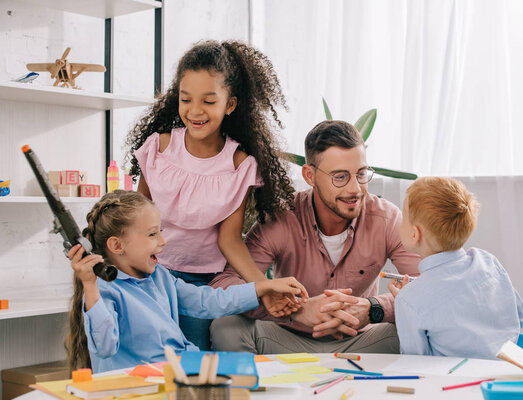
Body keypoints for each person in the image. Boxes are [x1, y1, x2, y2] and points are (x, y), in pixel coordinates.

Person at [126, 40, 305, 348]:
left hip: (203, 283)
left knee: (194, 362)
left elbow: (230, 239)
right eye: (186, 100)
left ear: (230, 104)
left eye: (209, 101)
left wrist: (263, 287)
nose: (195, 111)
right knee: (147, 359)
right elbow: (134, 218)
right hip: (149, 272)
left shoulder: (239, 166)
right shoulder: (160, 148)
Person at [210, 120, 421, 354]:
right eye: (340, 177)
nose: (355, 189)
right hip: (289, 340)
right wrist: (297, 310)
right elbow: (224, 284)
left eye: (361, 174)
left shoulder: (386, 218)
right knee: (226, 327)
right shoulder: (282, 218)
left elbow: (428, 284)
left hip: (361, 342)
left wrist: (373, 309)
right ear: (310, 176)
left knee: (420, 327)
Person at [64, 190, 308, 372]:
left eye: (160, 231)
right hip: (142, 386)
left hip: (178, 371)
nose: (163, 241)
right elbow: (105, 347)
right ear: (117, 245)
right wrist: (90, 286)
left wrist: (263, 286)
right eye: (152, 234)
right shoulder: (104, 291)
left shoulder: (160, 277)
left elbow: (208, 301)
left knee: (262, 371)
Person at [388, 177, 523, 359]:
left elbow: (416, 361)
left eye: (403, 217)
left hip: (452, 383)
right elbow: (519, 317)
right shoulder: (487, 261)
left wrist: (408, 304)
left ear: (415, 234)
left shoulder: (408, 300)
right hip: (509, 374)